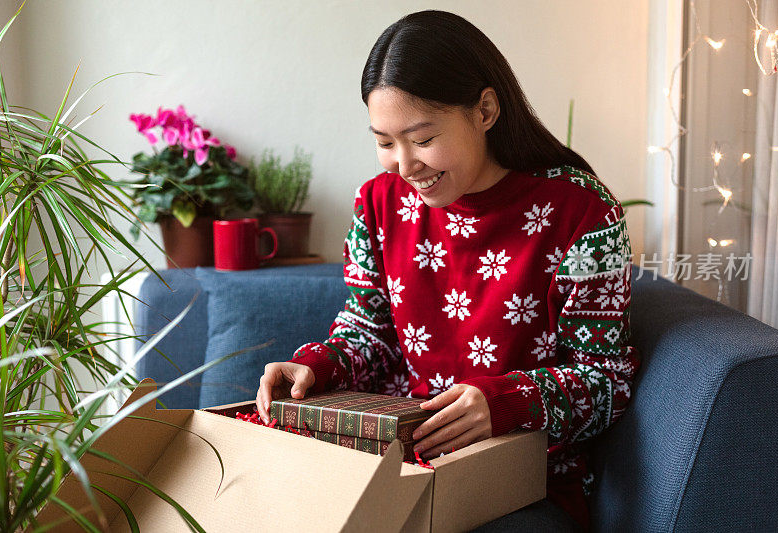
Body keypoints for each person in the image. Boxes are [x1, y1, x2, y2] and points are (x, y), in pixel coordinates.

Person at [255, 9, 639, 532]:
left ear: (484, 109)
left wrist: (504, 403)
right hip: (397, 472)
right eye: (385, 142)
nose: (404, 165)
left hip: (524, 488)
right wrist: (317, 367)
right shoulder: (377, 204)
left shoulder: (582, 211)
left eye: (421, 138)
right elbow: (370, 332)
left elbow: (606, 382)